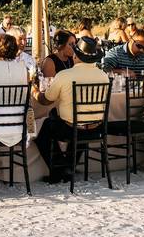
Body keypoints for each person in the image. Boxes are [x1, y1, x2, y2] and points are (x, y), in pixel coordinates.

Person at [33, 37, 109, 184]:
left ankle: (59, 169)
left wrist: (34, 91)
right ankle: (68, 167)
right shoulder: (103, 76)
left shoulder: (65, 75)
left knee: (45, 131)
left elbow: (45, 100)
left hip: (71, 129)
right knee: (78, 123)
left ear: (75, 56)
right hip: (95, 127)